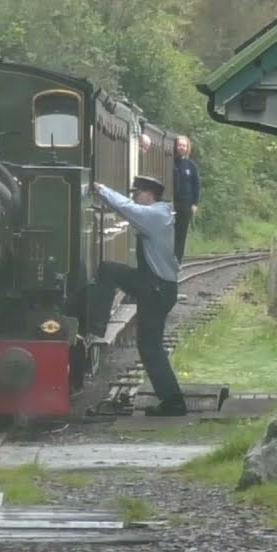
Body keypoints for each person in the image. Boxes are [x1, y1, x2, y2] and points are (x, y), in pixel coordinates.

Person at [85, 175, 186, 417]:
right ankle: (96, 324)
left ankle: (174, 403)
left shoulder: (155, 215)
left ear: (149, 194)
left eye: (137, 193)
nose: (134, 197)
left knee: (151, 347)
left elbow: (126, 208)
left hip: (155, 288)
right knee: (109, 270)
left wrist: (102, 189)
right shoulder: (160, 214)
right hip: (154, 286)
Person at [172, 135, 200, 263]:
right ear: (175, 146)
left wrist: (195, 203)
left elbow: (196, 185)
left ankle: (177, 259)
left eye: (184, 145)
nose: (181, 147)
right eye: (179, 145)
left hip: (186, 204)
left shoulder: (191, 166)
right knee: (170, 232)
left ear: (187, 147)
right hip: (172, 203)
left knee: (181, 233)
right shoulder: (170, 162)